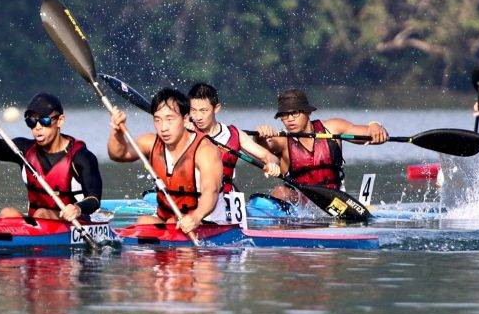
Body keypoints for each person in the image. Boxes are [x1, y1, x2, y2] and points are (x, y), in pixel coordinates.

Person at [0, 92, 102, 221]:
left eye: (44, 120)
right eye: (32, 121)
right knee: (7, 213)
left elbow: (94, 199)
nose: (37, 127)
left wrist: (77, 208)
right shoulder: (23, 150)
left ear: (60, 121)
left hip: (77, 222)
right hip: (38, 222)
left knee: (41, 213)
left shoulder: (81, 157)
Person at [108, 87, 224, 231]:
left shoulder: (205, 150)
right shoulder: (150, 142)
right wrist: (117, 132)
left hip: (206, 224)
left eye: (170, 119)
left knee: (178, 238)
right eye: (158, 120)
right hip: (170, 222)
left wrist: (196, 217)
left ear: (186, 118)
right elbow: (119, 154)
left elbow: (211, 190)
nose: (163, 128)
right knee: (144, 222)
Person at [255, 89, 388, 203]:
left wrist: (375, 126)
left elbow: (367, 133)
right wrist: (259, 136)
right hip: (300, 203)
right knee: (280, 192)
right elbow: (262, 149)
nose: (289, 119)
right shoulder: (282, 140)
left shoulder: (332, 128)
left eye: (295, 113)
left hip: (334, 200)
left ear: (308, 112)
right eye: (284, 115)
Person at [186, 82, 282, 189]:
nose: (198, 117)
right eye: (193, 110)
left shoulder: (234, 135)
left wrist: (272, 165)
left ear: (216, 108)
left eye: (204, 111)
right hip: (191, 196)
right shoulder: (184, 131)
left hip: (225, 197)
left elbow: (270, 157)